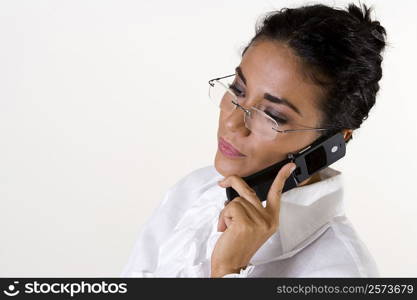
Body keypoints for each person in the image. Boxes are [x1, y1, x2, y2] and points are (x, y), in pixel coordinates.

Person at [120, 2, 387, 277]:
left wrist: (226, 271)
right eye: (238, 89)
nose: (233, 122)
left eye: (272, 115)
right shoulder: (195, 192)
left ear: (334, 140)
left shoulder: (342, 271)